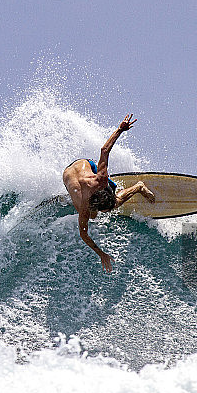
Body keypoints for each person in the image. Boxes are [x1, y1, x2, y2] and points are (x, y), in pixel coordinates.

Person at [62, 114, 155, 273]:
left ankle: (139, 187)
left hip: (83, 165)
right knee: (94, 216)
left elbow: (105, 150)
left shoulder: (101, 179)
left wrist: (121, 129)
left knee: (105, 207)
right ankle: (138, 187)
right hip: (71, 173)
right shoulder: (84, 209)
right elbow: (83, 235)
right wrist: (101, 253)